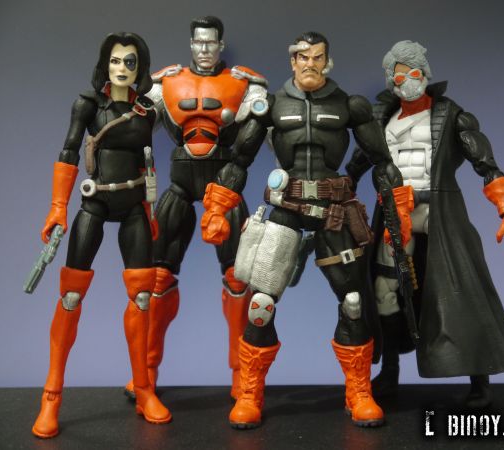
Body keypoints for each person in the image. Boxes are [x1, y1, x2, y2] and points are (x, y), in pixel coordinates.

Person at [200, 31, 412, 429]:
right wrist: (217, 207)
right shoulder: (272, 105)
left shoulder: (349, 105)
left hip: (335, 212)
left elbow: (382, 161)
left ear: (327, 61)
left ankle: (358, 391)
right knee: (260, 305)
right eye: (302, 57)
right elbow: (239, 159)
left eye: (317, 57)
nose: (309, 63)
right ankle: (250, 393)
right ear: (292, 61)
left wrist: (398, 209)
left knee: (353, 301)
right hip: (287, 210)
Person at [346, 40, 504, 408]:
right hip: (394, 211)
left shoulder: (451, 116)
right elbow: (356, 165)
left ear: (425, 74)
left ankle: (479, 379)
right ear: (391, 81)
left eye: (413, 74)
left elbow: (486, 165)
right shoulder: (381, 119)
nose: (407, 83)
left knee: (461, 288)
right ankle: (390, 371)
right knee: (384, 287)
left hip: (440, 211)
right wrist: (339, 192)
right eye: (399, 78)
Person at [32, 32, 171, 439]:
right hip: (94, 203)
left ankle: (143, 389)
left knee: (142, 297)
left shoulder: (146, 112)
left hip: (134, 208)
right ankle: (51, 396)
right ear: (104, 64)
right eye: (115, 60)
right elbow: (68, 151)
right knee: (71, 297)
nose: (121, 68)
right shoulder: (88, 105)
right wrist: (58, 206)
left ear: (140, 68)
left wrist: (149, 210)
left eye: (130, 62)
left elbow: (147, 164)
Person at [123, 16, 269, 400]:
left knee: (239, 278)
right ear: (191, 44)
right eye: (199, 42)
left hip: (226, 182)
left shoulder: (245, 84)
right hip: (180, 183)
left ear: (221, 44)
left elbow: (267, 134)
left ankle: (241, 373)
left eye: (211, 42)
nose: (205, 49)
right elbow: (133, 130)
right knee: (157, 278)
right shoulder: (165, 84)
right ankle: (146, 371)